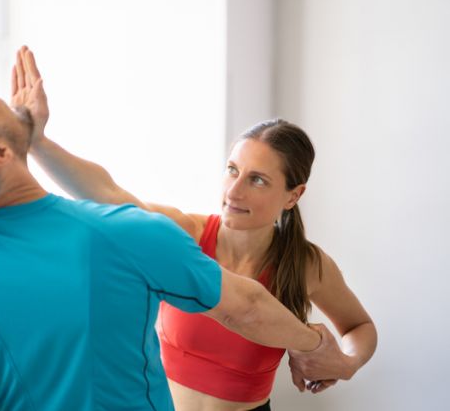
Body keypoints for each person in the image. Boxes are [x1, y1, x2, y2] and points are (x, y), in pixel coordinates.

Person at [0, 46, 333, 411]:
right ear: (2, 153)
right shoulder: (126, 235)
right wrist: (312, 343)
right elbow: (247, 307)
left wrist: (36, 138)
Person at [25, 56, 378, 410]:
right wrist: (37, 142)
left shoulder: (306, 264)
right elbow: (111, 194)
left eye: (257, 179)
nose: (233, 191)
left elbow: (359, 327)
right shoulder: (187, 234)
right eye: (232, 170)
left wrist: (345, 363)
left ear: (293, 195)